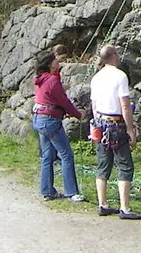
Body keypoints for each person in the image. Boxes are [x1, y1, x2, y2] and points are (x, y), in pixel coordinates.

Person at [89, 45, 141, 219]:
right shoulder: (120, 76)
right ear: (113, 55)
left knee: (102, 165)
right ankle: (125, 208)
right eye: (117, 53)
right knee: (125, 165)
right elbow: (125, 105)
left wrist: (95, 125)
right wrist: (130, 129)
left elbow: (94, 105)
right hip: (117, 125)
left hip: (101, 123)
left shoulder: (96, 77)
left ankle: (102, 203)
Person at [33, 52, 86, 202]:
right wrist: (78, 114)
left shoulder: (40, 79)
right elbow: (64, 102)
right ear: (50, 64)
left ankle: (47, 191)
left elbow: (51, 94)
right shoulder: (52, 81)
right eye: (55, 60)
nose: (58, 62)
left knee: (47, 157)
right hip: (50, 121)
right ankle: (71, 192)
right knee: (66, 155)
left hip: (40, 119)